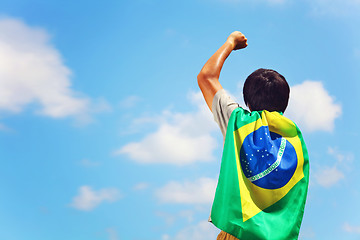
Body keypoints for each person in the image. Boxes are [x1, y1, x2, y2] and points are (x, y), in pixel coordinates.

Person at [197, 31, 309, 240]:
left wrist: (230, 42)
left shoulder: (238, 122)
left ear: (248, 103)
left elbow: (206, 77)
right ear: (284, 104)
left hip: (238, 233)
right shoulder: (294, 139)